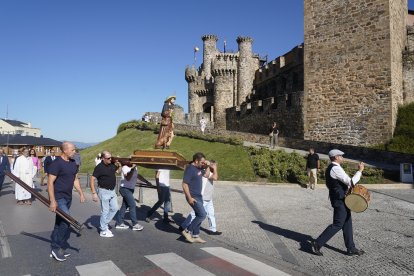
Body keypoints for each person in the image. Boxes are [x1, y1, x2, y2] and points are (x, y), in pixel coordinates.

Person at [311, 149, 365, 257]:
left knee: (347, 223)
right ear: (336, 157)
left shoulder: (334, 168)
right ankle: (317, 243)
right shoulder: (335, 168)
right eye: (341, 156)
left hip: (342, 199)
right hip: (339, 200)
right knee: (338, 224)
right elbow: (351, 182)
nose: (342, 157)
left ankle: (351, 248)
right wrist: (360, 171)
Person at [48, 142, 85, 262]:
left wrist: (81, 193)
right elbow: (49, 183)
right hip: (59, 198)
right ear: (65, 151)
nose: (75, 152)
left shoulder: (73, 163)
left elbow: (75, 179)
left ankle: (57, 246)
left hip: (68, 197)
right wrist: (53, 201)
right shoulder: (56, 164)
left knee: (59, 223)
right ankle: (56, 248)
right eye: (73, 150)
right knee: (66, 220)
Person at [180, 160, 221, 235]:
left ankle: (213, 229)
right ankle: (184, 226)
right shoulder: (204, 172)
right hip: (203, 197)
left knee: (211, 213)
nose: (216, 166)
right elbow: (215, 178)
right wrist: (215, 168)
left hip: (209, 197)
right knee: (196, 214)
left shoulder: (208, 172)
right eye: (214, 165)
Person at [90, 151, 121, 238]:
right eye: (108, 158)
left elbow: (118, 172)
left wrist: (120, 165)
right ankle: (103, 230)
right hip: (103, 191)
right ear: (103, 158)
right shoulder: (99, 167)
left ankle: (104, 224)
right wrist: (94, 193)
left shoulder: (112, 164)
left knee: (115, 208)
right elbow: (92, 179)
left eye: (111, 158)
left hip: (112, 191)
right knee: (105, 211)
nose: (110, 159)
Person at [181, 152, 209, 243]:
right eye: (202, 162)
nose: (203, 164)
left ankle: (195, 235)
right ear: (196, 161)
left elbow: (207, 175)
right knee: (202, 215)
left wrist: (207, 165)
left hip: (199, 196)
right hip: (193, 196)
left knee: (198, 215)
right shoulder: (190, 169)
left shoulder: (199, 168)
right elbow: (184, 184)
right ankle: (187, 231)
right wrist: (189, 198)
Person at [115, 163, 144, 231]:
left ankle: (119, 223)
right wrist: (132, 169)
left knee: (124, 206)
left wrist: (147, 182)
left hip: (130, 189)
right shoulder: (125, 167)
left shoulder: (135, 167)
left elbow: (138, 176)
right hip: (125, 189)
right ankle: (135, 224)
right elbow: (127, 178)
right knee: (132, 205)